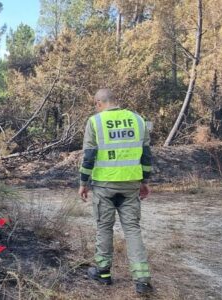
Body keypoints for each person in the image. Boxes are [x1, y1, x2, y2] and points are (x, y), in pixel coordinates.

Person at [78, 89, 154, 294]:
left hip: (104, 185)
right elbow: (146, 154)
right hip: (131, 184)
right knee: (132, 229)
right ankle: (142, 280)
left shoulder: (95, 122)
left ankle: (103, 273)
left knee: (104, 227)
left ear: (98, 103)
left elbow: (89, 156)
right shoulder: (138, 120)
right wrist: (145, 181)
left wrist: (83, 182)